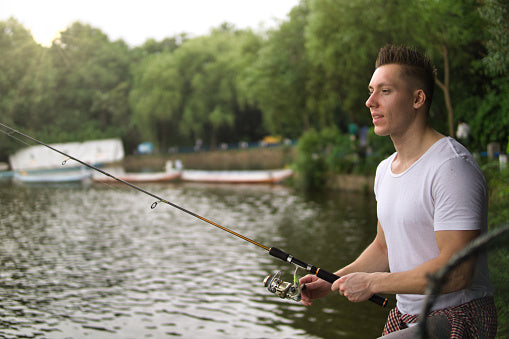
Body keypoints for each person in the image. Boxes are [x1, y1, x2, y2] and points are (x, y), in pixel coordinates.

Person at [299, 45, 497, 338]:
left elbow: (457, 273)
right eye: (371, 90)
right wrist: (332, 281)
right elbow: (383, 247)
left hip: (460, 316)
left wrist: (374, 283)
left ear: (417, 98)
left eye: (385, 91)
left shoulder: (452, 168)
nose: (370, 102)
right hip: (408, 317)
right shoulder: (384, 170)